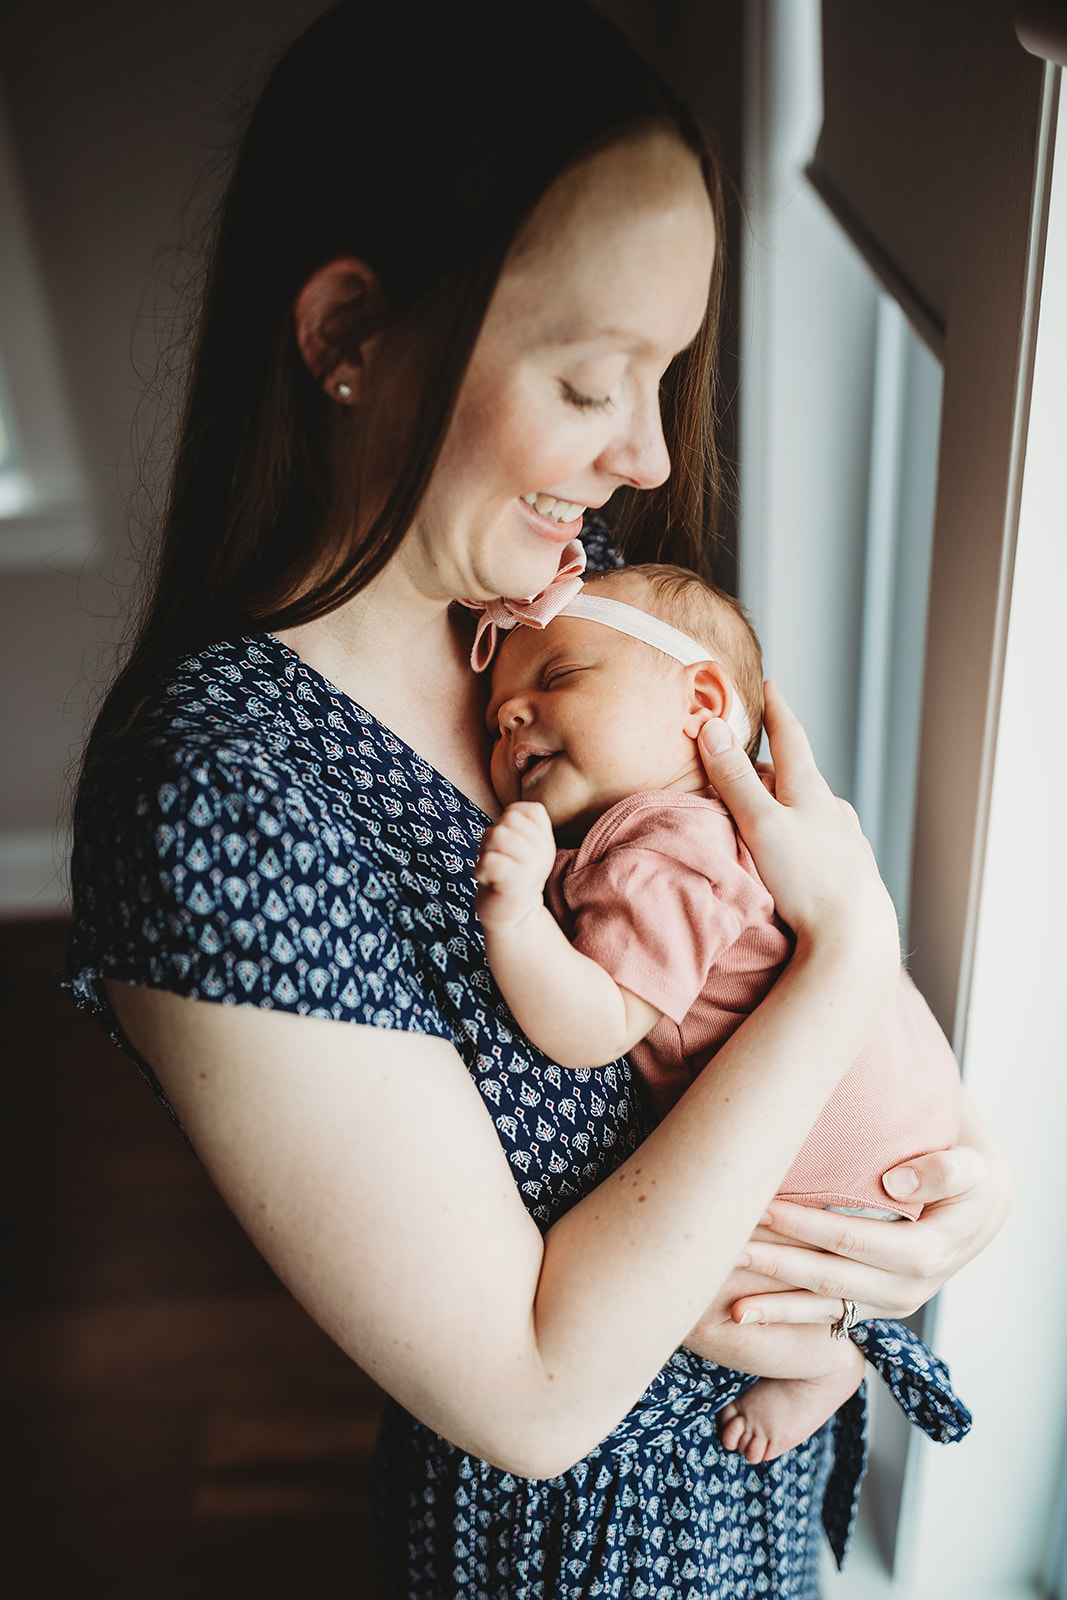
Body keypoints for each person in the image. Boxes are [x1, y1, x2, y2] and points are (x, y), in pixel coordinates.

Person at [63, 3, 1008, 1595]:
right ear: (348, 333)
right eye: (591, 383)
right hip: (586, 1553)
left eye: (668, 374)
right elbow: (532, 1389)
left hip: (759, 1487)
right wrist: (851, 960)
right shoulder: (223, 798)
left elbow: (749, 948)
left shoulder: (590, 628)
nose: (644, 453)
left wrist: (911, 1215)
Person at [473, 559, 966, 1467]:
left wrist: (513, 921)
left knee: (692, 1300)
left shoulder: (657, 845)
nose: (509, 714)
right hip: (908, 1123)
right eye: (497, 705)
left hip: (835, 1171)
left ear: (701, 700)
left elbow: (592, 1027)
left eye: (558, 676)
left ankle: (827, 1365)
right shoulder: (741, 822)